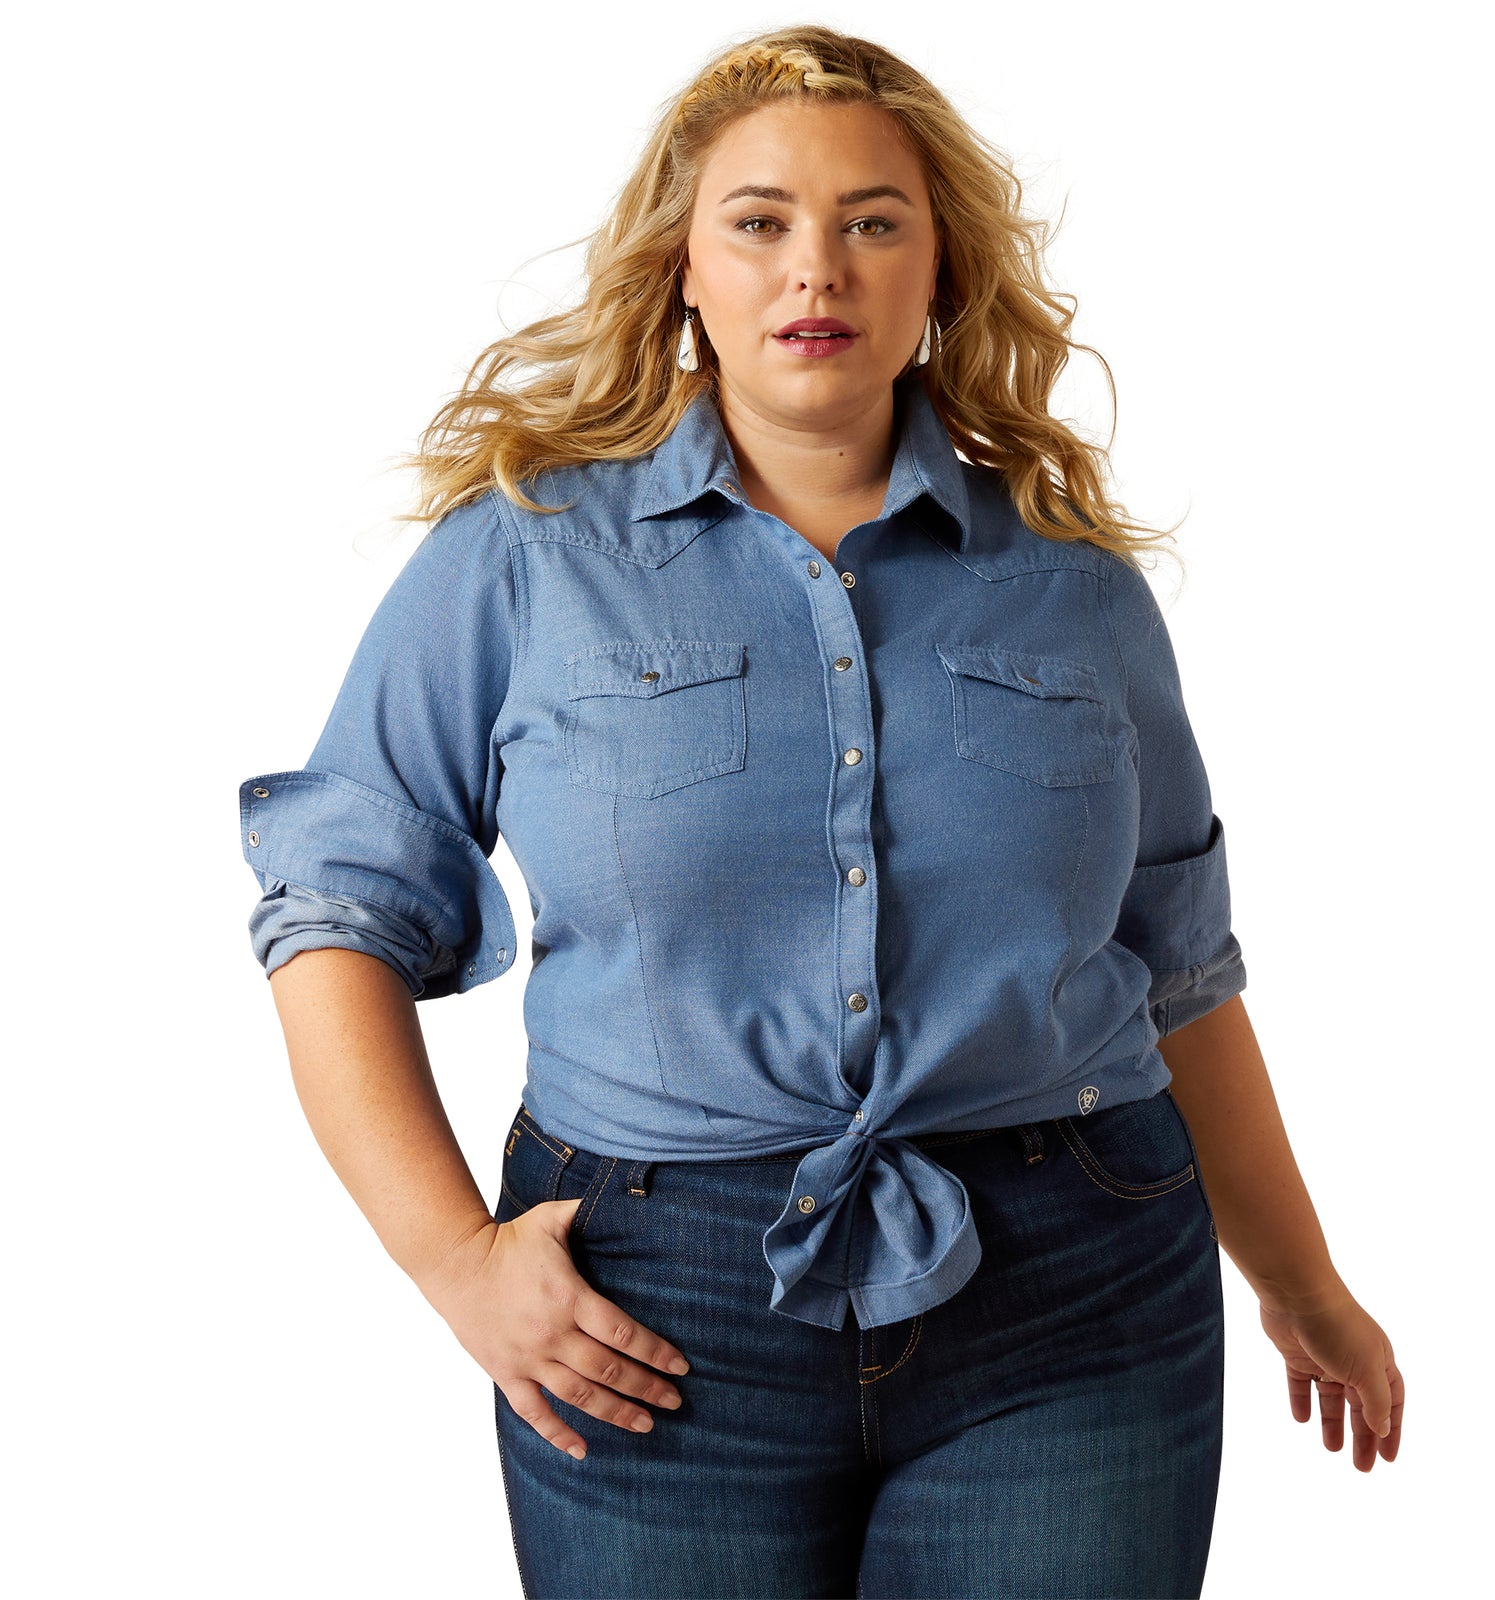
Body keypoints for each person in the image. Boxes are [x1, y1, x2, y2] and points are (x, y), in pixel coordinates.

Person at [239, 24, 1404, 1599]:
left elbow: (1179, 973)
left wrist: (1303, 1283)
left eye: (874, 222)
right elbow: (336, 913)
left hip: (1075, 1294)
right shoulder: (520, 561)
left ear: (940, 277)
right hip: (651, 1310)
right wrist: (451, 1261)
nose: (819, 270)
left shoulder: (1078, 596)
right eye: (762, 221)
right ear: (684, 271)